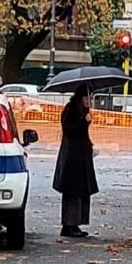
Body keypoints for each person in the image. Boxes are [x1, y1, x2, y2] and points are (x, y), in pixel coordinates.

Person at [53, 85, 99, 238]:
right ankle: (69, 224)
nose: (89, 101)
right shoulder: (71, 110)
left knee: (81, 190)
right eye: (87, 98)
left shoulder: (83, 112)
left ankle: (76, 223)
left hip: (82, 157)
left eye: (91, 98)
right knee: (73, 190)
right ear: (80, 98)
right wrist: (83, 122)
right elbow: (70, 130)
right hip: (72, 158)